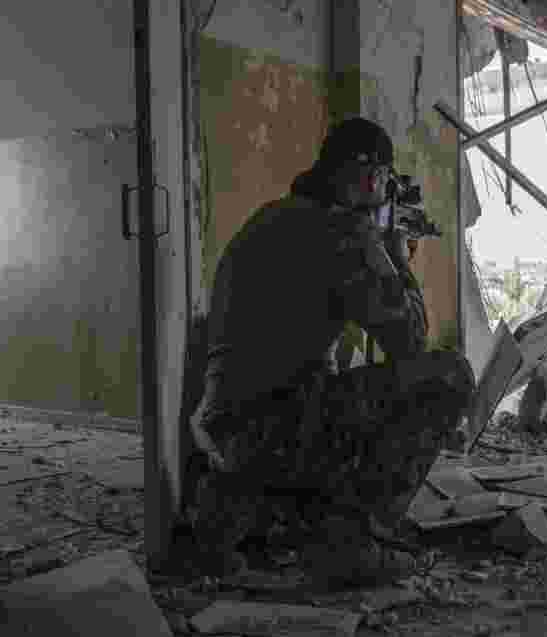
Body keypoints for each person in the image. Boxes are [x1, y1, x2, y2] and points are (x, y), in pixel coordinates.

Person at [187, 117, 476, 584]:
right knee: (450, 375)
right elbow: (410, 341)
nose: (383, 190)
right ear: (370, 177)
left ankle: (267, 515)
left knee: (340, 389)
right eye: (384, 180)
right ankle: (350, 543)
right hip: (271, 430)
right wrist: (398, 260)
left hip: (222, 429)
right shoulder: (344, 232)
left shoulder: (269, 217)